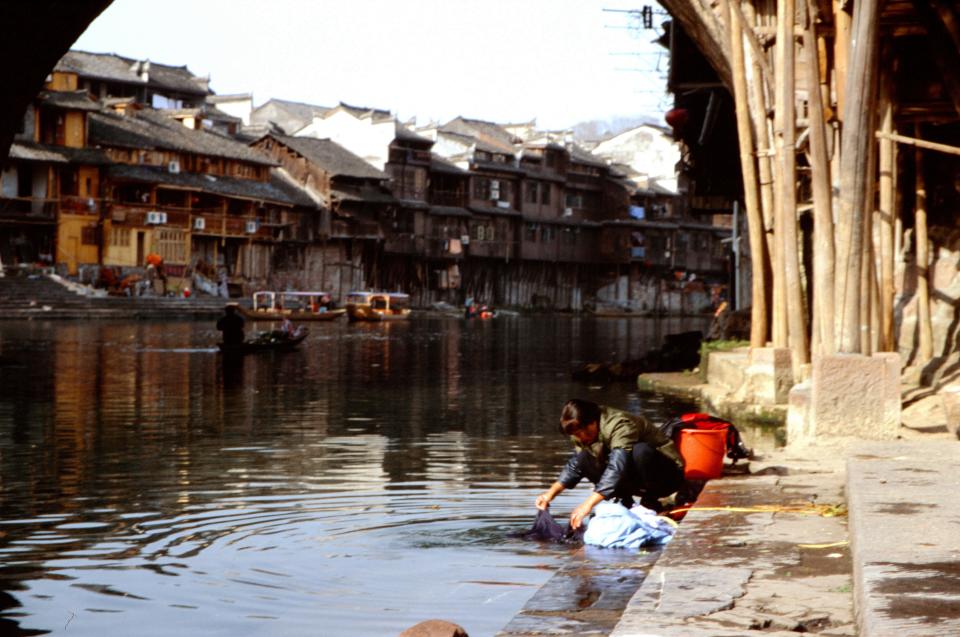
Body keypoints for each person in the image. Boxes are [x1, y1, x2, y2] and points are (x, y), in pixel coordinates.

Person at [535, 398, 685, 529]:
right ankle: (624, 500)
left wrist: (588, 504)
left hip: (666, 476)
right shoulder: (580, 434)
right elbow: (575, 465)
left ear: (593, 423)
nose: (579, 438)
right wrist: (550, 494)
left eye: (581, 433)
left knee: (640, 451)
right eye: (575, 435)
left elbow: (617, 466)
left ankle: (654, 500)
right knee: (583, 458)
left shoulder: (619, 425)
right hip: (633, 477)